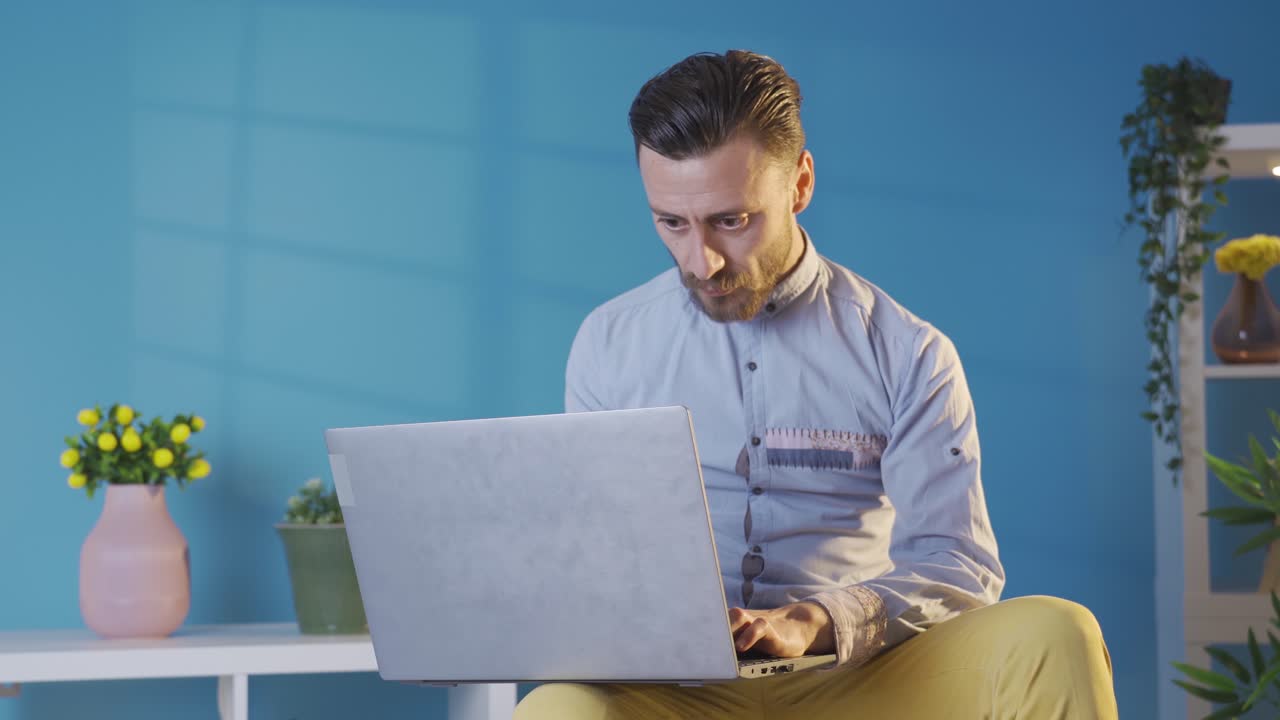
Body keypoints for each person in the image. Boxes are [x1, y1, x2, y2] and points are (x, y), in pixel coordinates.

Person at [513, 50, 1118, 719]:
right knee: (555, 709)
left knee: (1056, 631)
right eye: (672, 223)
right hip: (680, 689)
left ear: (799, 185)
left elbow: (957, 563)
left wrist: (817, 620)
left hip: (863, 677)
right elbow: (598, 550)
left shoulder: (908, 352)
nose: (701, 260)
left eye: (731, 221)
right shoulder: (609, 343)